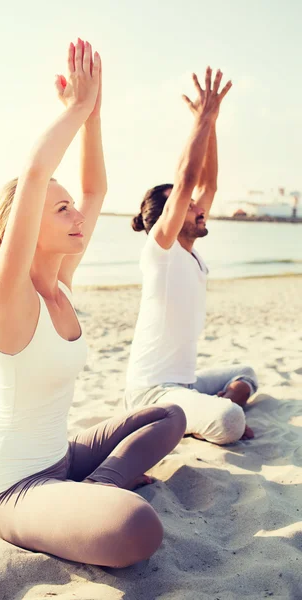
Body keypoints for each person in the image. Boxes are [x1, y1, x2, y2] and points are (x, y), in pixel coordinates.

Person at [0, 39, 186, 569]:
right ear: (25, 226)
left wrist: (93, 115)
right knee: (136, 526)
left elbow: (96, 189)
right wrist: (71, 109)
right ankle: (101, 492)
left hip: (62, 457)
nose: (78, 216)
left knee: (169, 415)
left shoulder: (61, 281)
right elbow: (36, 175)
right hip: (11, 489)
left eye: (73, 209)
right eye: (61, 209)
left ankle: (100, 482)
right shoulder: (11, 294)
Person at [125, 67, 258, 445]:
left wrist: (211, 121)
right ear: (166, 218)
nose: (199, 206)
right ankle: (207, 414)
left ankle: (203, 408)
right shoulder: (160, 252)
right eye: (187, 205)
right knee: (231, 421)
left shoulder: (190, 253)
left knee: (246, 373)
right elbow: (186, 180)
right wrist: (200, 120)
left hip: (184, 383)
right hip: (151, 392)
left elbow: (207, 182)